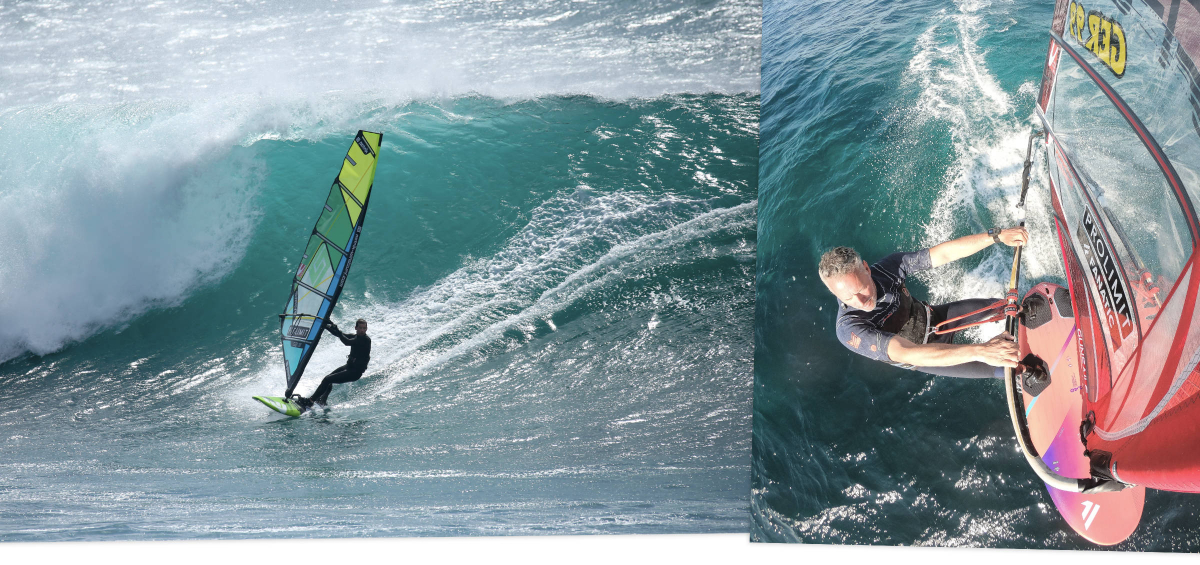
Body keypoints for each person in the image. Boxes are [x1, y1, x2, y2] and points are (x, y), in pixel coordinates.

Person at [818, 227, 1028, 379]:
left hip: (937, 318)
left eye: (861, 289)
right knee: (1006, 369)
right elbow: (908, 353)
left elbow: (942, 254)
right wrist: (981, 350)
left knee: (1007, 307)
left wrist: (997, 236)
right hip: (926, 354)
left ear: (866, 268)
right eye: (847, 298)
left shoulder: (887, 269)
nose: (860, 301)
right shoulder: (849, 328)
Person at [291, 318, 372, 408]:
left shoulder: (365, 340)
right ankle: (322, 401)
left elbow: (346, 342)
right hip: (349, 367)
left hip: (355, 372)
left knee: (327, 379)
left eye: (364, 328)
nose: (362, 330)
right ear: (356, 328)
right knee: (328, 380)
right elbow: (339, 334)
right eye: (360, 328)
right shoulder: (356, 336)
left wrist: (337, 331)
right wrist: (327, 326)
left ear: (366, 329)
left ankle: (310, 401)